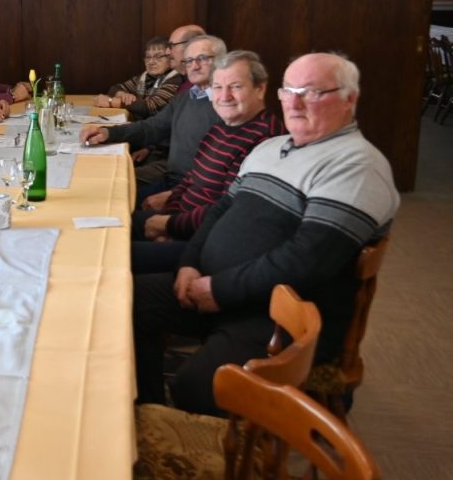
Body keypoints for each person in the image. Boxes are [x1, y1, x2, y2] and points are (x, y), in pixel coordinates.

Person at [133, 53, 399, 415]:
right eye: (289, 91)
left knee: (197, 387)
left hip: (277, 315)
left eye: (311, 92)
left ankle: (182, 427)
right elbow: (220, 211)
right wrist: (189, 264)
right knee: (124, 301)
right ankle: (148, 415)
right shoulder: (270, 148)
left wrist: (219, 290)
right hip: (222, 289)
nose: (295, 102)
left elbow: (307, 260)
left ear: (349, 99)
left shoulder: (357, 166)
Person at [131, 51, 284, 273]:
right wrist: (169, 217)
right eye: (218, 87)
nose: (224, 96)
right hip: (182, 223)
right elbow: (191, 179)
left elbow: (225, 210)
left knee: (113, 256)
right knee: (109, 224)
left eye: (235, 87)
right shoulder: (222, 126)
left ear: (260, 89)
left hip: (204, 243)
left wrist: (171, 227)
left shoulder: (264, 139)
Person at [80, 35, 225, 197]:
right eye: (189, 60)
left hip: (188, 188)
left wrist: (173, 195)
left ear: (222, 61)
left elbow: (218, 172)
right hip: (172, 178)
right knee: (100, 183)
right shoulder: (187, 96)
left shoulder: (225, 105)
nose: (195, 66)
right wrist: (107, 133)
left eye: (203, 58)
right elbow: (153, 127)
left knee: (111, 189)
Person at [94, 36, 182, 118]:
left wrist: (111, 102)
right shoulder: (145, 76)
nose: (151, 62)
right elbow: (114, 89)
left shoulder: (175, 78)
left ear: (170, 57)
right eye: (148, 57)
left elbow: (151, 107)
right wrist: (123, 95)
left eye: (158, 56)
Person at [168, 24, 206, 96]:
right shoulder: (179, 80)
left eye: (172, 46)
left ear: (191, 46)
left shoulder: (202, 84)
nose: (167, 52)